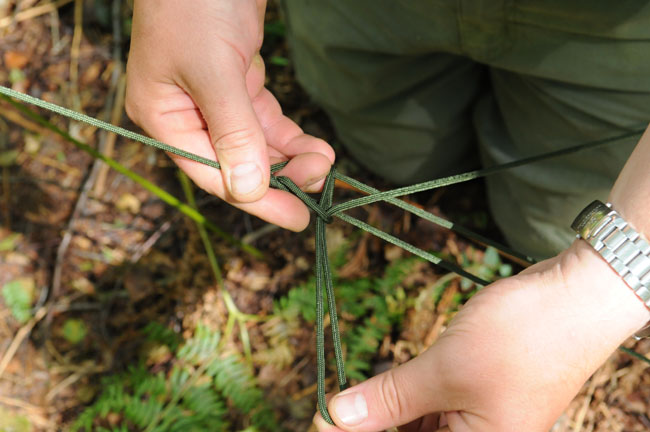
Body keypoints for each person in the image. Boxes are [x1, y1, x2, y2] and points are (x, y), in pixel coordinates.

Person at [125, 1, 650, 430]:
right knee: (398, 151)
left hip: (620, 41)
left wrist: (594, 287)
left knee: (540, 229)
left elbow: (588, 272)